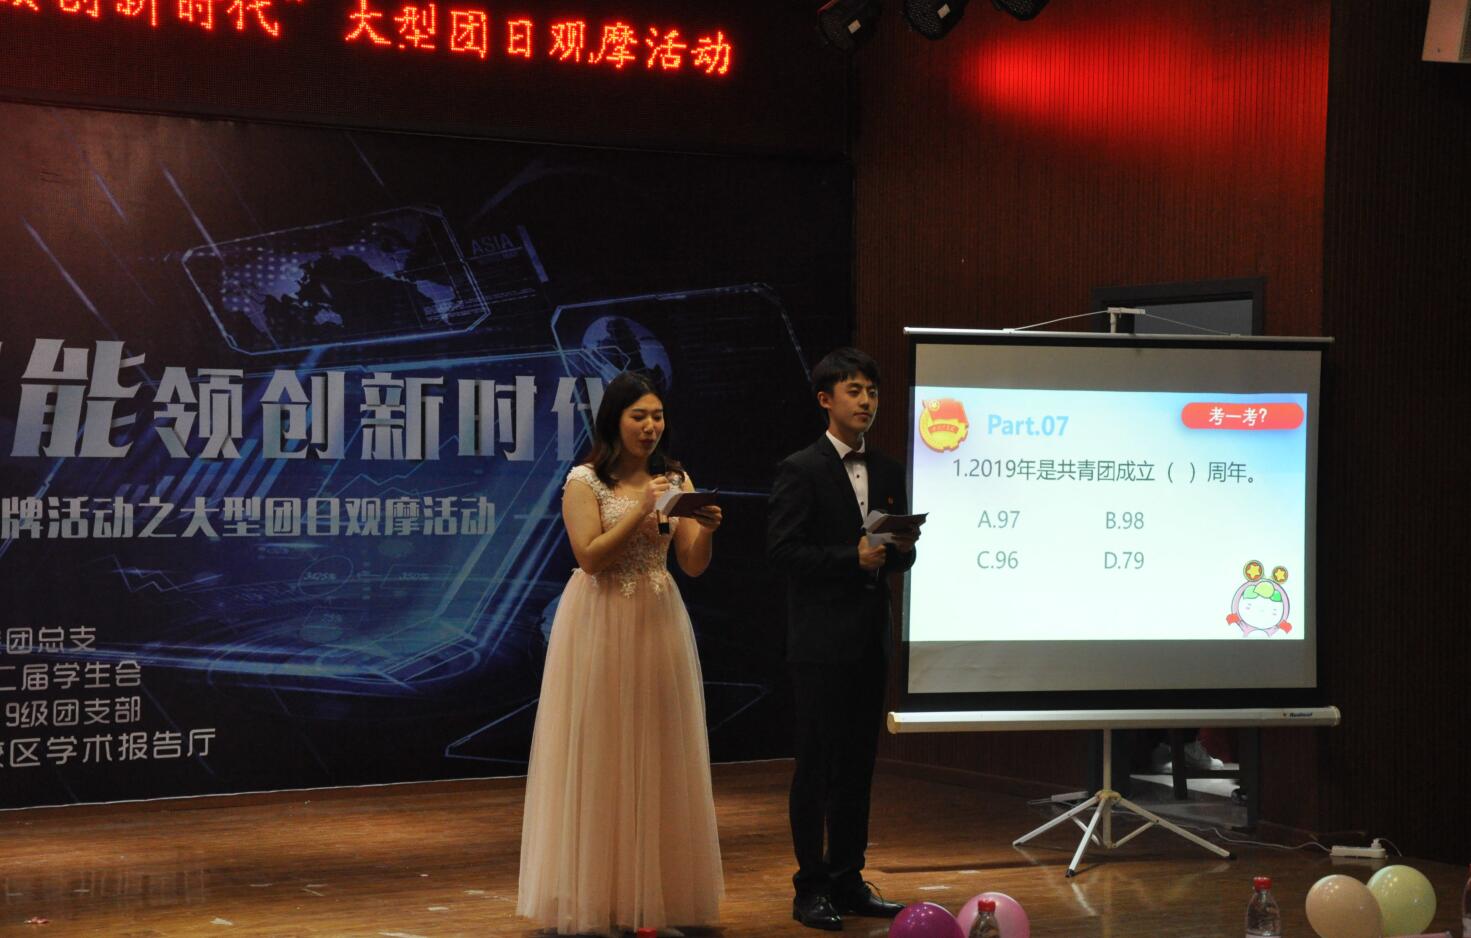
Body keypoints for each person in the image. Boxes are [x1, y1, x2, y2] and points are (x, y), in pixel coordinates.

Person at [518, 371, 725, 937]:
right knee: (602, 751)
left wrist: (705, 528)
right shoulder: (585, 481)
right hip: (600, 621)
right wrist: (642, 510)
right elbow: (590, 557)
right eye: (639, 416)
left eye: (657, 416)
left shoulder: (675, 478)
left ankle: (654, 900)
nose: (650, 426)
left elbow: (692, 564)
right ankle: (597, 898)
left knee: (657, 750)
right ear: (615, 420)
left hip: (658, 618)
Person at [766, 347, 920, 931]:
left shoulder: (887, 470)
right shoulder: (800, 468)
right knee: (816, 766)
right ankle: (810, 886)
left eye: (872, 391)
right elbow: (782, 552)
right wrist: (848, 557)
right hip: (819, 643)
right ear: (825, 399)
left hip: (868, 640)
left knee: (858, 766)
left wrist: (901, 550)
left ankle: (848, 878)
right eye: (854, 391)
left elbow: (898, 561)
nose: (866, 401)